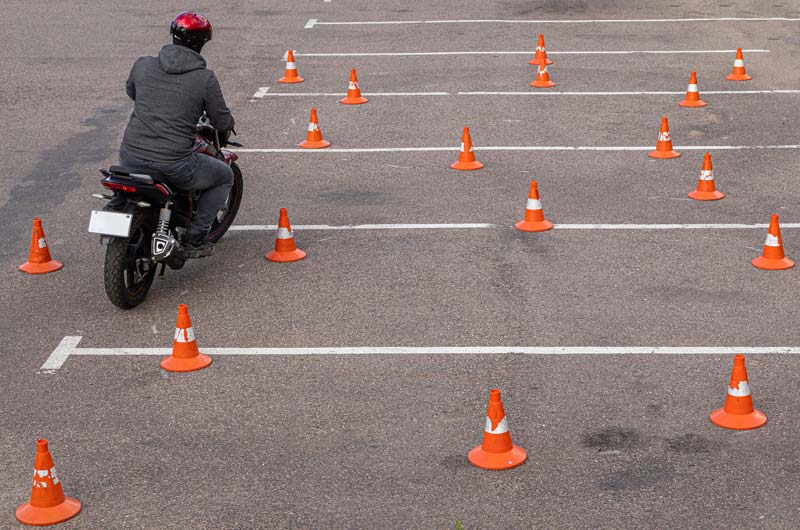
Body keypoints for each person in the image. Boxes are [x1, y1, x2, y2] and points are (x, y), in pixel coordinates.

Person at [119, 11, 235, 255]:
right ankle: (195, 236)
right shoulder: (204, 79)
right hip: (174, 163)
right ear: (201, 43)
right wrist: (227, 126)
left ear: (173, 36)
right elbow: (221, 120)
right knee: (224, 175)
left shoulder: (143, 65)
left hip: (129, 157)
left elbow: (133, 92)